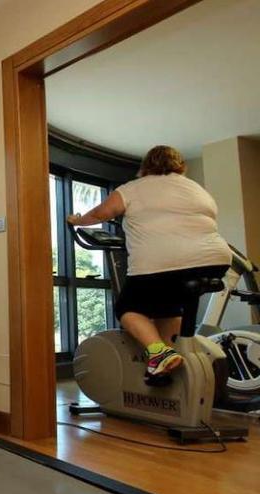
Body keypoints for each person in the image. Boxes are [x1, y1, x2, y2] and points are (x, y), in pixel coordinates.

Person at [68, 145, 231, 382]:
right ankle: (165, 364)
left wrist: (77, 220)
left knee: (127, 308)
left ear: (146, 165)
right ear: (180, 166)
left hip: (166, 263)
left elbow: (101, 213)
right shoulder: (196, 189)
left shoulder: (134, 188)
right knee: (168, 309)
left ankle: (158, 352)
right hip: (215, 260)